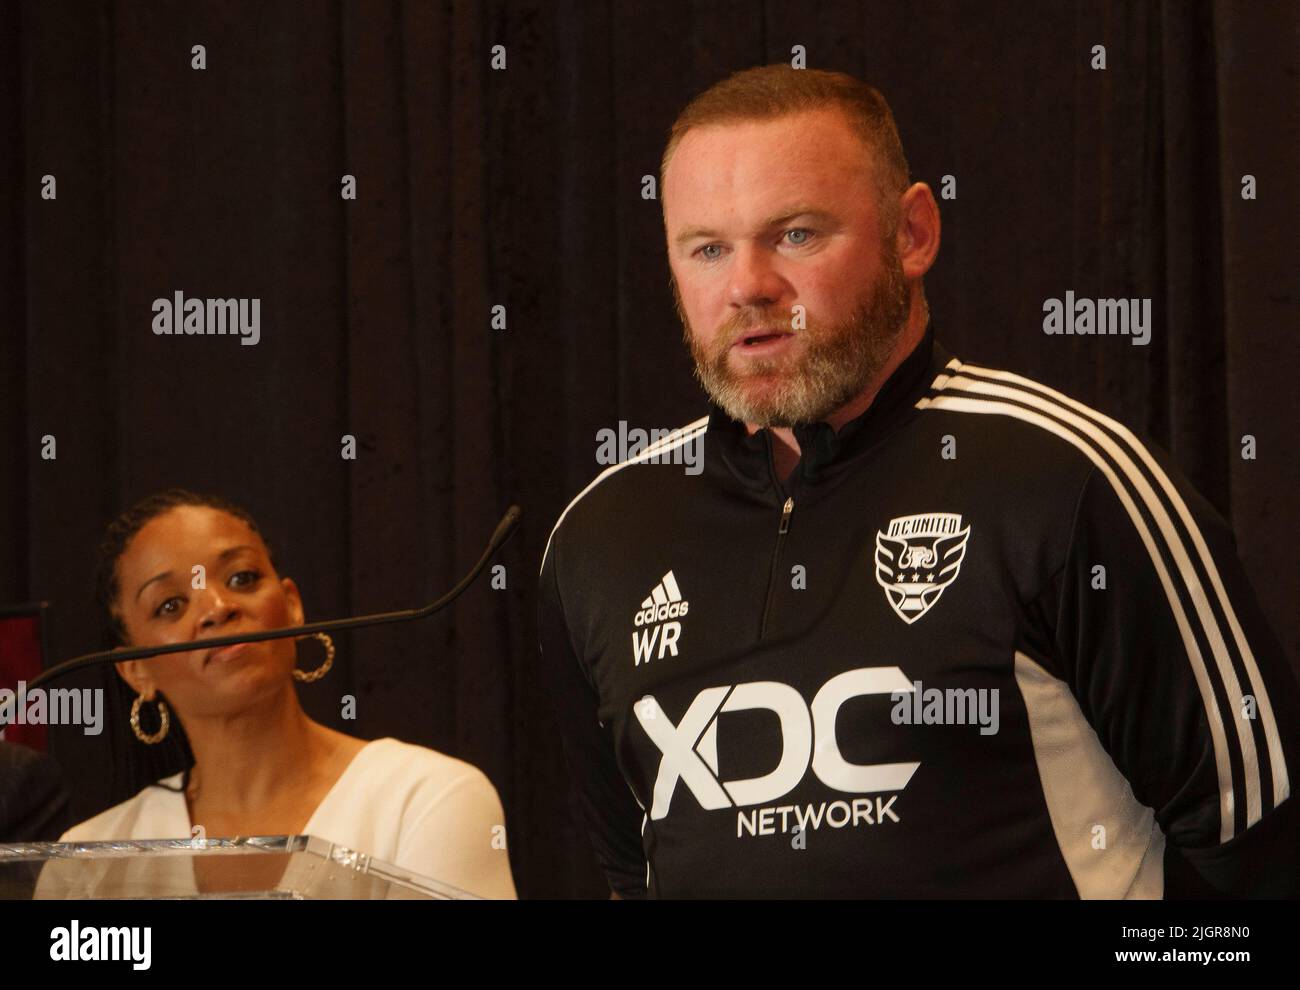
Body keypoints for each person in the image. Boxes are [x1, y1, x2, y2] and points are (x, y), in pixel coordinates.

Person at [537, 64, 1300, 898]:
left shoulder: (1068, 482)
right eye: (709, 248)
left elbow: (1266, 871)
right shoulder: (599, 539)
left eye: (795, 234)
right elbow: (629, 877)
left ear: (913, 234)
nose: (748, 287)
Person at [55, 488, 515, 899]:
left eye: (241, 578)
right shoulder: (86, 862)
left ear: (292, 606)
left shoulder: (424, 798)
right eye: (171, 605)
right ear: (136, 670)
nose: (217, 609)